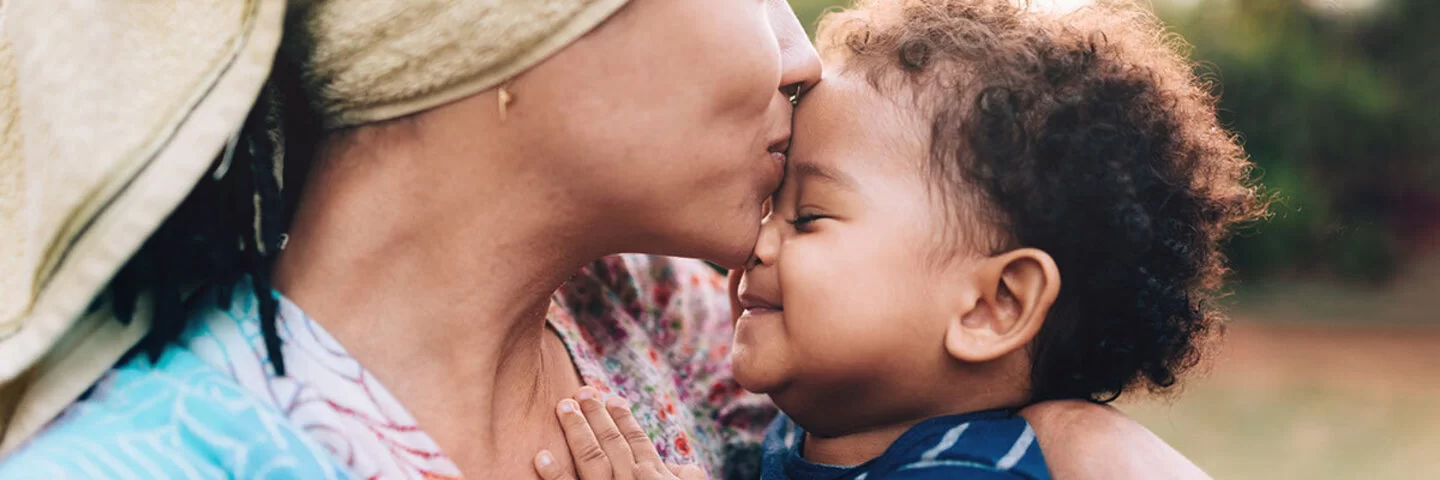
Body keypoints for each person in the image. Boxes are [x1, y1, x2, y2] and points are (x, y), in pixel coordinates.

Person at [0, 0, 1211, 478]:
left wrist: (1071, 429)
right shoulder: (157, 463)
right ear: (506, 42)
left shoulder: (667, 316)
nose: (799, 55)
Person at [528, 0, 1266, 479]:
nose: (756, 246)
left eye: (809, 216)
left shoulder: (973, 473)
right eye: (769, 210)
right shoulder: (799, 440)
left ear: (993, 305)